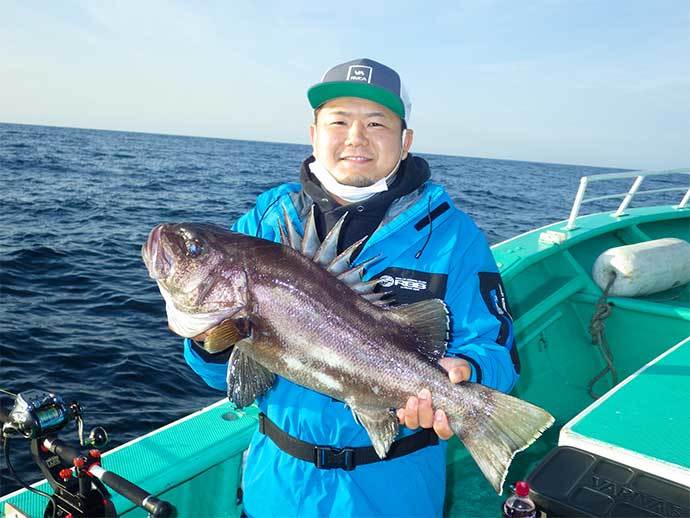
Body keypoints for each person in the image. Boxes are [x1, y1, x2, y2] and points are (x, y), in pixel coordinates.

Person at [183, 58, 520, 517]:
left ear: (405, 142)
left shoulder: (454, 236)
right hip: (278, 483)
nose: (356, 137)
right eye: (338, 121)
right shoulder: (263, 223)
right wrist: (209, 339)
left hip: (397, 490)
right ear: (314, 134)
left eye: (376, 123)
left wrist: (468, 374)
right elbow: (226, 379)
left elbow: (499, 352)